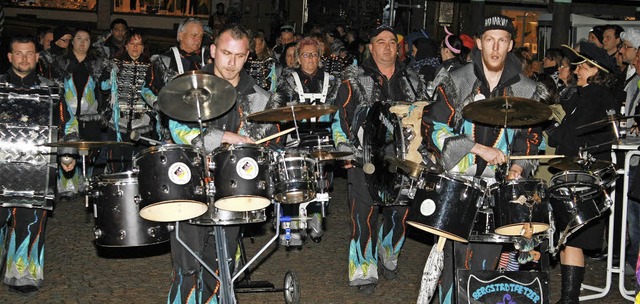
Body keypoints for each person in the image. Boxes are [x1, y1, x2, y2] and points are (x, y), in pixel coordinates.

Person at [422, 15, 548, 303]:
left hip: (497, 187)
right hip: (458, 182)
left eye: (502, 41)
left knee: (484, 264)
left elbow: (531, 138)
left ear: (511, 45)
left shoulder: (526, 90)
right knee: (453, 263)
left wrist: (519, 166)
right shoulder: (457, 80)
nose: (495, 48)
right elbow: (432, 128)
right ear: (479, 42)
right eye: (489, 40)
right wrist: (476, 148)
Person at [166, 24, 280, 303]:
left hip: (233, 193)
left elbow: (266, 145)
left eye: (240, 56)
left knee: (220, 264)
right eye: (226, 53)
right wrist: (225, 137)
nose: (232, 63)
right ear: (213, 51)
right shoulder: (189, 85)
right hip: (190, 187)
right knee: (188, 265)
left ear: (248, 56)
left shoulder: (258, 97)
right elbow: (178, 129)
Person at [331, 24, 427, 294]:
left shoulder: (413, 81)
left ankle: (389, 252)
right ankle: (363, 269)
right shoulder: (354, 79)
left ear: (399, 48)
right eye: (381, 42)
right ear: (370, 47)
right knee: (365, 214)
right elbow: (339, 118)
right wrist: (344, 149)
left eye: (392, 42)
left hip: (405, 158)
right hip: (365, 157)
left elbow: (426, 118)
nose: (387, 46)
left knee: (401, 213)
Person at [546, 42, 618, 303]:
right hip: (575, 172)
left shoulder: (596, 96)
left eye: (583, 66)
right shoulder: (585, 94)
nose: (577, 70)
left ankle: (569, 299)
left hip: (585, 175)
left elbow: (576, 134)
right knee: (567, 237)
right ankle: (568, 297)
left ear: (596, 70)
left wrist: (551, 126)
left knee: (574, 237)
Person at [0, 36, 60, 294]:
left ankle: (23, 275)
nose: (24, 58)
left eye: (29, 53)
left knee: (31, 222)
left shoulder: (52, 90)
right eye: (19, 53)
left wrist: (66, 155)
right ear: (10, 57)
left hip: (37, 170)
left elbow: (65, 125)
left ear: (37, 57)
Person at [275, 37, 341, 245]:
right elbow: (276, 108)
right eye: (306, 54)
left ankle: (316, 215)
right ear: (297, 59)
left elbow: (340, 111)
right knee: (290, 183)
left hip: (324, 140)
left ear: (320, 57)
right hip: (295, 139)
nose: (310, 58)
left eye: (314, 54)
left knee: (320, 180)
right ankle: (291, 228)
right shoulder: (287, 80)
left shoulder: (333, 81)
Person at [51, 28, 109, 195]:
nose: (82, 42)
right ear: (72, 41)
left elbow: (105, 91)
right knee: (67, 152)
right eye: (79, 38)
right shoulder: (60, 63)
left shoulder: (98, 64)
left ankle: (84, 186)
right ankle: (66, 188)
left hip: (90, 117)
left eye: (86, 39)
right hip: (66, 116)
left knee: (89, 153)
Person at [100, 29, 157, 173]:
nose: (135, 47)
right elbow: (102, 89)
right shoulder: (114, 65)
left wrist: (149, 115)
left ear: (144, 47)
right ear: (125, 45)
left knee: (141, 164)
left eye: (139, 44)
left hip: (142, 124)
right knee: (116, 164)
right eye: (132, 43)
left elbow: (156, 93)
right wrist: (109, 81)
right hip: (118, 124)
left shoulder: (152, 67)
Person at [146, 18, 208, 139]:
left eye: (201, 36)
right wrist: (164, 107)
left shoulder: (206, 61)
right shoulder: (164, 61)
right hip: (171, 130)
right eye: (194, 35)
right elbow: (146, 89)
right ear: (181, 35)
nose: (198, 40)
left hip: (203, 128)